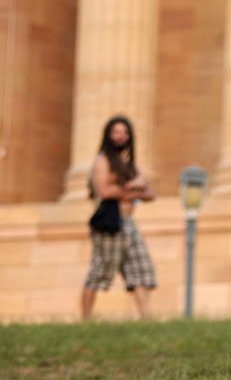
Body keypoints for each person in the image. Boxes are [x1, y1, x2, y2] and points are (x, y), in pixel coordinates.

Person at [81, 115, 159, 321]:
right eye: (116, 132)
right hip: (109, 224)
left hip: (129, 223)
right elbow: (105, 191)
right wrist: (134, 186)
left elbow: (151, 193)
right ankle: (85, 320)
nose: (120, 136)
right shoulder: (102, 161)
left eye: (124, 132)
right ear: (108, 135)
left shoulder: (129, 165)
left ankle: (146, 319)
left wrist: (129, 190)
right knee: (99, 272)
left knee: (140, 269)